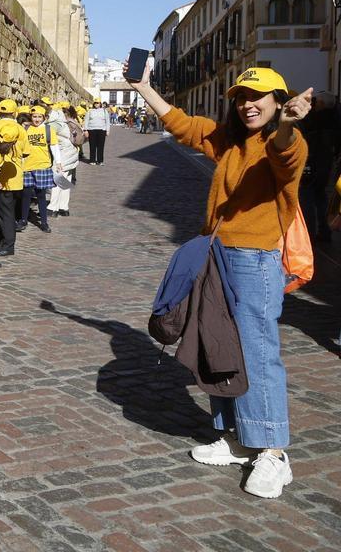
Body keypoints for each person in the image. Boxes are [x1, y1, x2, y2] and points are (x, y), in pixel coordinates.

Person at [129, 65, 310, 499]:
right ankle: (234, 436)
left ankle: (272, 451)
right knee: (218, 343)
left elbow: (286, 156)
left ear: (277, 100)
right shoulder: (231, 140)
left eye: (259, 96)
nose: (248, 103)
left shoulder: (285, 140)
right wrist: (144, 88)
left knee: (256, 350)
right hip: (219, 255)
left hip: (256, 261)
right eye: (242, 96)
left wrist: (286, 125)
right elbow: (184, 126)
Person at [294, 91, 341, 243]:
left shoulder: (313, 119)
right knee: (321, 196)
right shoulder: (335, 119)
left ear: (320, 104)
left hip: (311, 163)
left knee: (306, 196)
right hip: (327, 165)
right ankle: (325, 230)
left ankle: (309, 233)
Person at [0, 119, 28, 257]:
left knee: (6, 215)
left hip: (5, 182)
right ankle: (1, 241)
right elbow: (27, 152)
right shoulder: (21, 131)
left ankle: (8, 245)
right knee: (4, 214)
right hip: (14, 181)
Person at [21, 107, 61, 233]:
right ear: (30, 117)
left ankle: (43, 222)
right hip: (27, 166)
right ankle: (23, 219)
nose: (36, 119)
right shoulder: (26, 129)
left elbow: (54, 147)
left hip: (43, 166)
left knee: (41, 195)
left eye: (39, 117)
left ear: (44, 117)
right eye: (34, 117)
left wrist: (58, 162)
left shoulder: (49, 130)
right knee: (26, 195)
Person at [49, 102, 80, 218]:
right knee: (66, 180)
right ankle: (64, 207)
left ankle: (53, 207)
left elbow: (47, 130)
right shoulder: (70, 122)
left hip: (63, 155)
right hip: (71, 153)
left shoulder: (57, 124)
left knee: (58, 180)